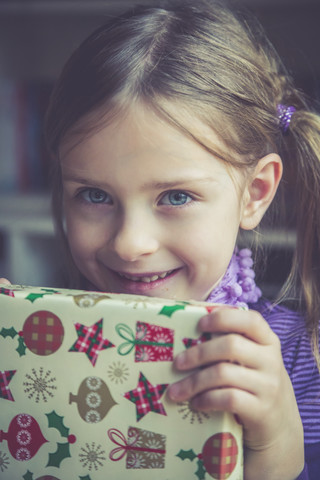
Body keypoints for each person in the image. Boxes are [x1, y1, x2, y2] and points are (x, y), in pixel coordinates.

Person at [4, 0, 320, 478]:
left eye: (175, 196)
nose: (130, 244)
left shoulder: (305, 362)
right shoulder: (25, 346)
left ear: (254, 194)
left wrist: (275, 446)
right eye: (93, 194)